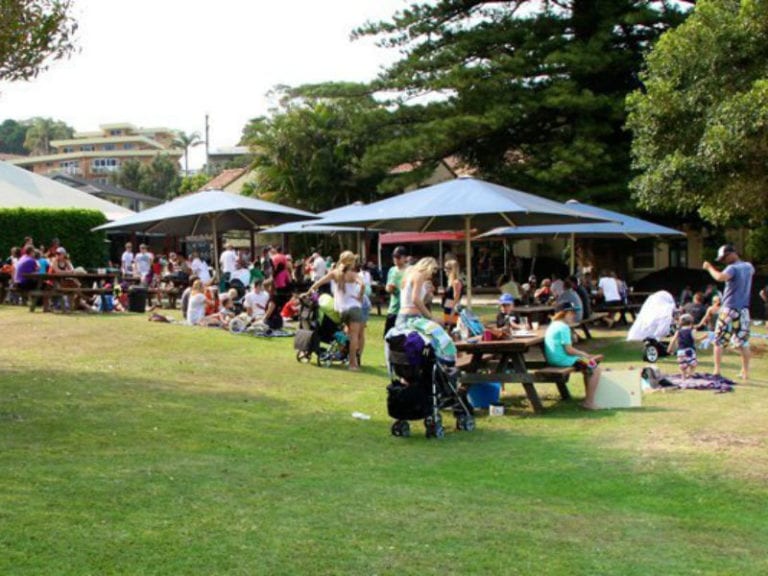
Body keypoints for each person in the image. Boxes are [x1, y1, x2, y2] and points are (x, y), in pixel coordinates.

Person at [303, 251, 364, 370]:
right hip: (354, 307)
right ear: (352, 262)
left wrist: (308, 292)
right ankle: (352, 364)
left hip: (341, 309)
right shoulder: (354, 274)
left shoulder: (334, 273)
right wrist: (360, 297)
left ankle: (341, 353)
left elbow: (317, 283)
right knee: (355, 336)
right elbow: (362, 285)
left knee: (345, 331)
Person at [703, 244, 755, 379]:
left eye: (724, 258)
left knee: (719, 340)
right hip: (744, 310)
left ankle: (717, 371)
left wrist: (709, 268)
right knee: (743, 342)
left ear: (732, 253)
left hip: (729, 309)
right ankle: (745, 372)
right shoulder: (749, 266)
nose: (723, 261)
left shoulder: (732, 268)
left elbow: (720, 277)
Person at [396, 257, 457, 364]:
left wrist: (427, 295)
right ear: (427, 267)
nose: (432, 275)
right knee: (441, 335)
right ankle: (448, 361)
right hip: (412, 319)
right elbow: (415, 300)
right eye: (433, 271)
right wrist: (430, 316)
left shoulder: (409, 274)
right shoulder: (418, 276)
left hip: (403, 316)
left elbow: (412, 300)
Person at [544, 301, 602, 410]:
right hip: (563, 359)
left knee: (589, 367)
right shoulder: (564, 327)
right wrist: (583, 354)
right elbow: (569, 350)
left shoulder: (553, 325)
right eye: (572, 313)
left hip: (555, 359)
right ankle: (589, 402)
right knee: (596, 369)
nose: (574, 315)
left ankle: (588, 399)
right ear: (564, 313)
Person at [383, 245, 409, 337]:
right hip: (393, 308)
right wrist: (389, 289)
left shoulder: (409, 270)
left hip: (405, 309)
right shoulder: (392, 270)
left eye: (398, 257)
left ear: (405, 258)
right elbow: (387, 287)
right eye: (394, 257)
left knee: (402, 338)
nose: (395, 259)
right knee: (388, 336)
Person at [667, 313, 700, 380]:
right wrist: (704, 337)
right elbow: (695, 339)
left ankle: (683, 376)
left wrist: (669, 348)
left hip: (680, 351)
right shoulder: (692, 331)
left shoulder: (678, 331)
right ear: (691, 323)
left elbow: (673, 340)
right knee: (693, 364)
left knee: (682, 366)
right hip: (689, 350)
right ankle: (690, 374)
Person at [441, 259, 463, 332]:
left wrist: (452, 312)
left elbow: (456, 298)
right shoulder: (450, 282)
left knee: (451, 328)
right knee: (448, 327)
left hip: (451, 308)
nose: (444, 270)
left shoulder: (456, 282)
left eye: (446, 268)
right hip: (448, 307)